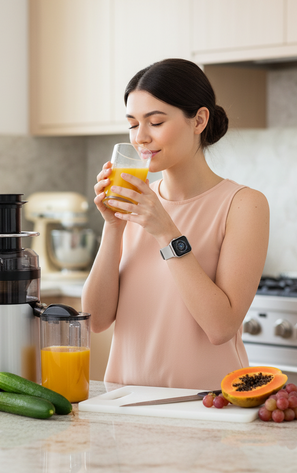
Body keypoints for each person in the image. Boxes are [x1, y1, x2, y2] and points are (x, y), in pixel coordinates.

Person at [81, 58, 269, 390]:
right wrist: (113, 226)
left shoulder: (243, 204)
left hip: (207, 407)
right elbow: (95, 321)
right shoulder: (137, 205)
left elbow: (220, 327)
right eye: (132, 123)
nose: (140, 137)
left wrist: (165, 231)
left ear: (198, 120)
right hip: (126, 406)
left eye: (155, 122)